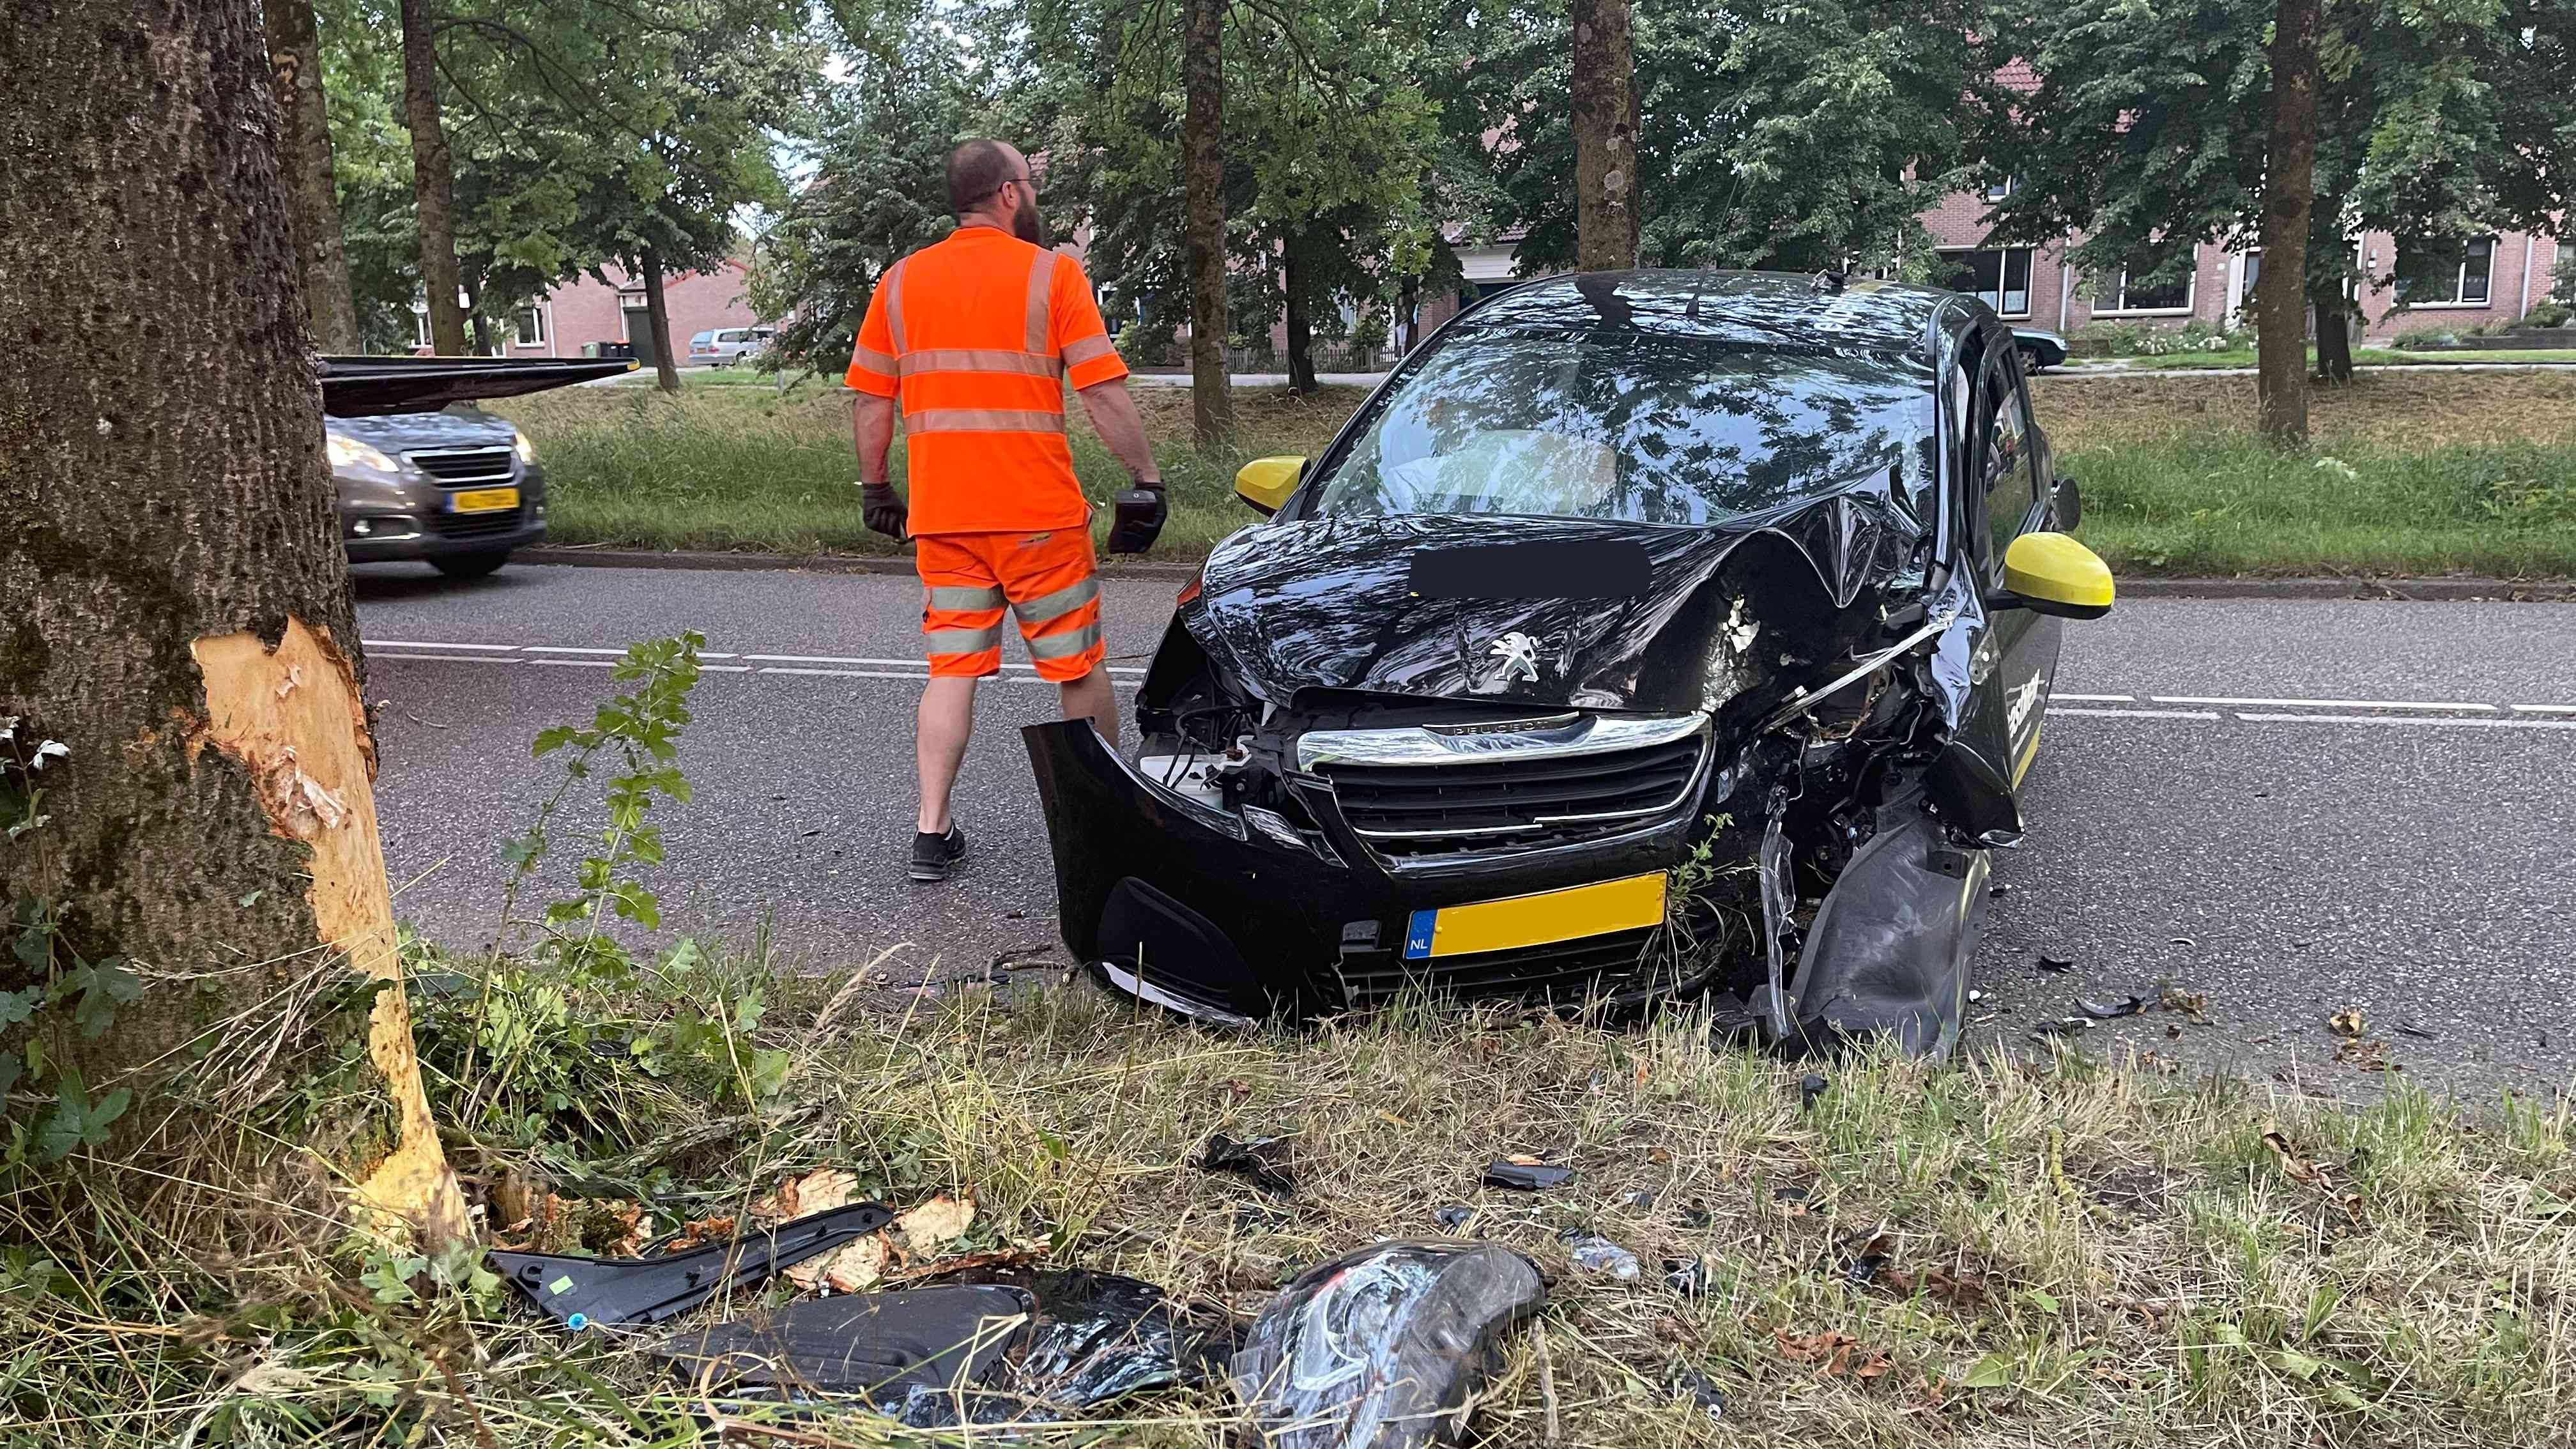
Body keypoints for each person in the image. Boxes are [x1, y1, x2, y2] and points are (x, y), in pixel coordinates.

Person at [848, 138, 1166, 882]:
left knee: (950, 670)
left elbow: (871, 398)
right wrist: (1145, 476)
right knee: (1077, 668)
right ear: (1009, 194)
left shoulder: (899, 283)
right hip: (1038, 519)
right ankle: (1102, 824)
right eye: (1030, 180)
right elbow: (1101, 388)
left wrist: (875, 487)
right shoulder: (1052, 274)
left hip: (945, 519)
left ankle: (932, 832)